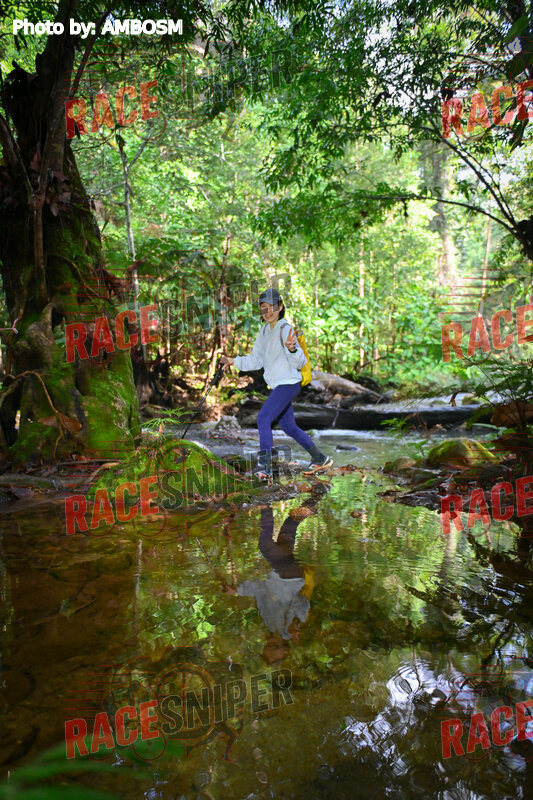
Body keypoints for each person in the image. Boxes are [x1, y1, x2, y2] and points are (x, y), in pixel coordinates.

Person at [220, 287, 333, 478]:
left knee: (263, 419)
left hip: (289, 384)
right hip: (279, 386)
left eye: (272, 306)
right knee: (289, 427)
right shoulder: (264, 331)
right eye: (264, 308)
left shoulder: (285, 329)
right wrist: (233, 361)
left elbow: (300, 362)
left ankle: (264, 467)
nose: (268, 311)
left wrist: (292, 349)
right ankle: (320, 458)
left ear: (280, 307)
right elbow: (256, 361)